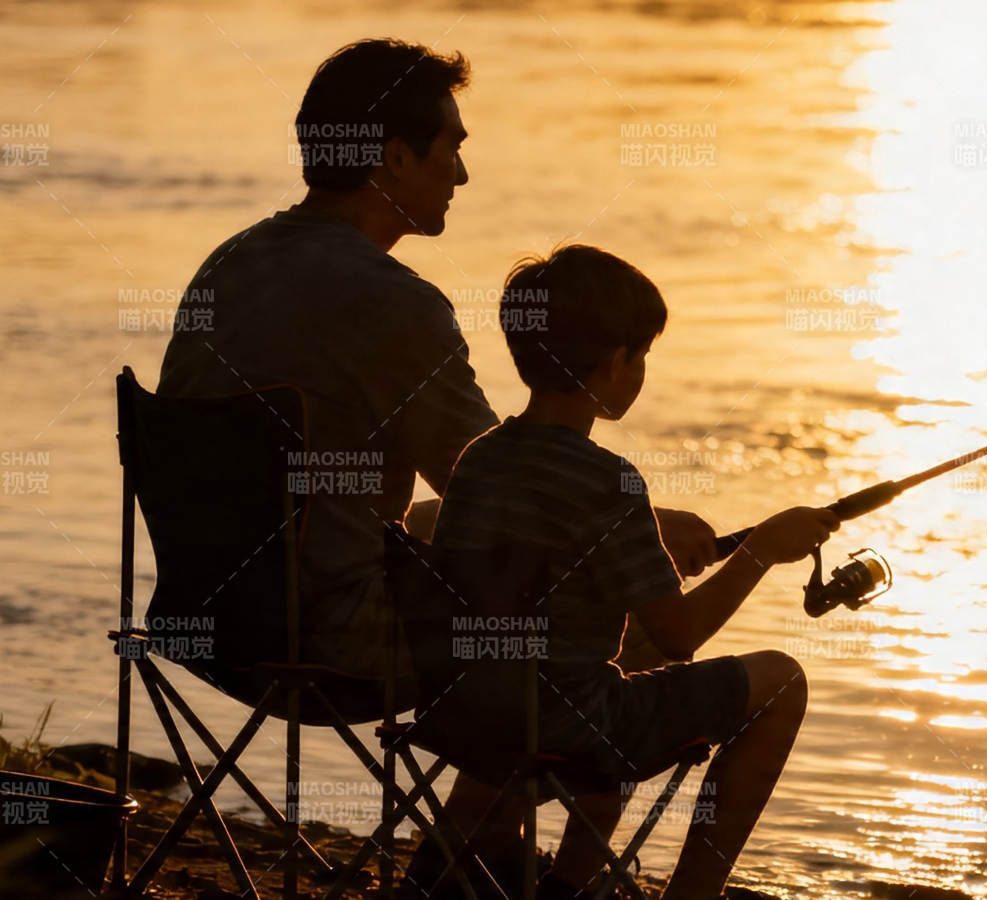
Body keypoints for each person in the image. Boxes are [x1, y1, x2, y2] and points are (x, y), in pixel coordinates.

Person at [154, 39, 719, 702]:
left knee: (439, 529)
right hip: (335, 640)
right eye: (451, 149)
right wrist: (643, 530)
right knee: (600, 603)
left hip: (206, 620)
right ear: (394, 157)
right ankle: (482, 808)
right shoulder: (395, 303)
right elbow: (494, 484)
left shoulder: (227, 263)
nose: (462, 174)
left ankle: (475, 808)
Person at [424, 245, 837, 898]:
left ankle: (568, 885)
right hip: (568, 728)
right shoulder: (610, 484)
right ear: (616, 362)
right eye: (641, 355)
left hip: (462, 714)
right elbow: (679, 637)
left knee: (616, 678)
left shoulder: (478, 462)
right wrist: (760, 549)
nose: (642, 369)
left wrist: (635, 566)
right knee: (782, 683)